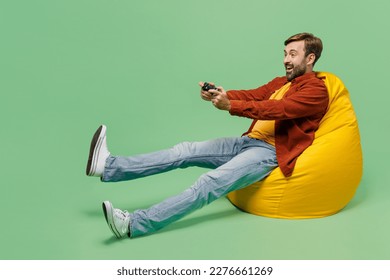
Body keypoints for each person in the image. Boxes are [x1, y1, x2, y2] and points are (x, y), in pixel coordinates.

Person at [86, 32, 329, 239]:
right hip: (248, 142)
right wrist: (221, 94)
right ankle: (108, 166)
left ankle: (132, 225)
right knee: (184, 151)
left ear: (310, 58)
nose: (286, 60)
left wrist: (230, 106)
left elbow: (278, 110)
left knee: (208, 184)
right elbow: (256, 95)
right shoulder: (281, 81)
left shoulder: (316, 90)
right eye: (285, 53)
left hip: (269, 154)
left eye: (293, 54)